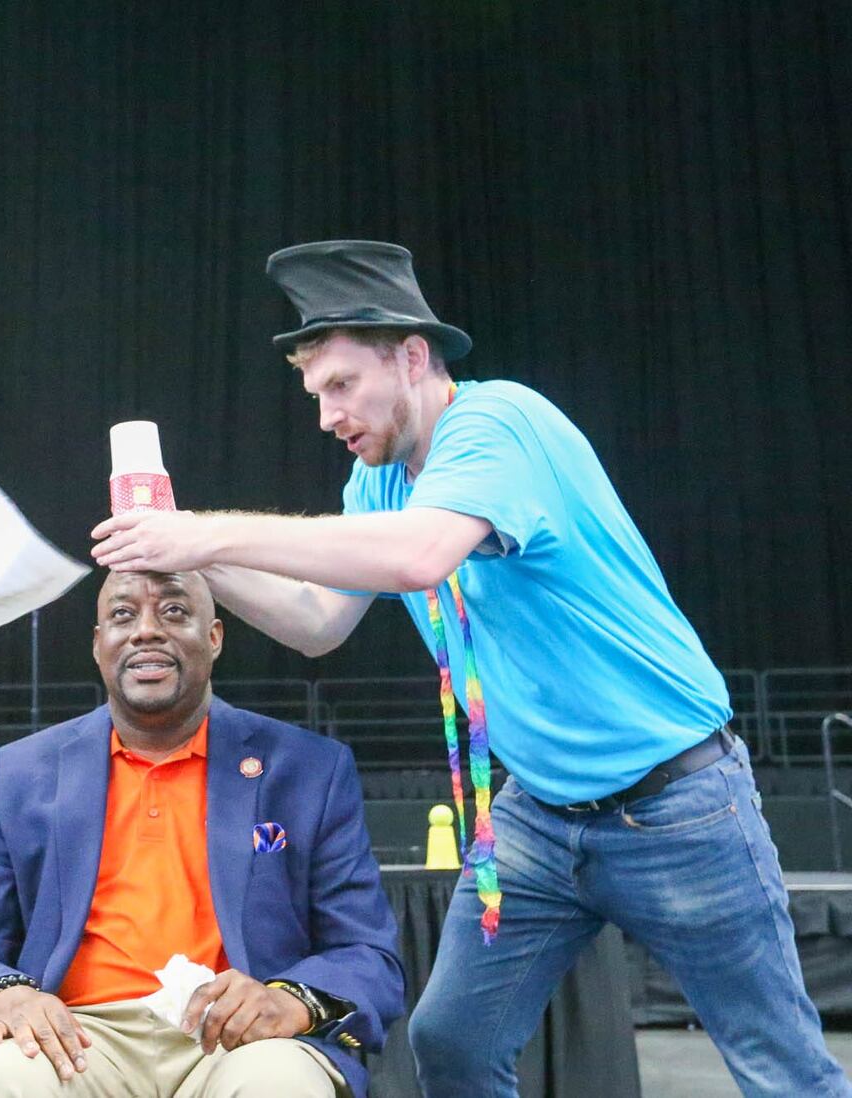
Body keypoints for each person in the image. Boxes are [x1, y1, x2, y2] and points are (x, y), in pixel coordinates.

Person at [89, 240, 851, 1097]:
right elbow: (317, 622)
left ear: (413, 357)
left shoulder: (499, 424)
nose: (327, 415)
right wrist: (184, 555)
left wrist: (204, 532)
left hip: (675, 808)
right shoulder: (375, 482)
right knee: (450, 1040)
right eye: (314, 395)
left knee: (780, 1069)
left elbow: (419, 555)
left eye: (341, 386)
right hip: (536, 816)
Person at [0, 568, 403, 1098]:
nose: (146, 630)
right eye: (122, 615)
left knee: (280, 1083)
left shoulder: (308, 769)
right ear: (97, 644)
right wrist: (8, 995)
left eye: (174, 612)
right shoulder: (19, 773)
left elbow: (368, 954)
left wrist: (289, 1001)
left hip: (238, 1040)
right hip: (77, 1036)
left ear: (214, 638)